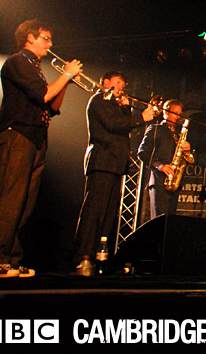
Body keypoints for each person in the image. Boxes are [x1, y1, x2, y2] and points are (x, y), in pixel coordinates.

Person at [0, 20, 83, 278]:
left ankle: (11, 259)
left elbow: (52, 106)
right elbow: (43, 94)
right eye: (46, 38)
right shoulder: (17, 62)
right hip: (18, 136)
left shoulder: (36, 68)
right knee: (10, 200)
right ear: (30, 39)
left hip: (37, 138)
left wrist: (67, 83)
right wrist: (65, 74)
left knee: (25, 203)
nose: (50, 44)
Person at [73, 71, 156, 267]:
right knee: (94, 211)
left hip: (116, 164)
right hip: (102, 161)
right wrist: (140, 118)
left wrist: (127, 111)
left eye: (123, 84)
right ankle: (83, 256)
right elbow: (111, 124)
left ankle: (99, 257)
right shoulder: (99, 99)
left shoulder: (117, 106)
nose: (121, 87)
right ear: (105, 82)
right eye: (118, 82)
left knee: (109, 214)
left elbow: (122, 129)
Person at [137, 99, 190, 220]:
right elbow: (142, 153)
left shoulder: (178, 133)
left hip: (174, 182)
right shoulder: (155, 128)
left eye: (180, 113)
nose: (178, 116)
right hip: (159, 181)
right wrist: (160, 166)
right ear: (166, 113)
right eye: (175, 113)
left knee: (170, 222)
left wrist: (187, 150)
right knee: (159, 220)